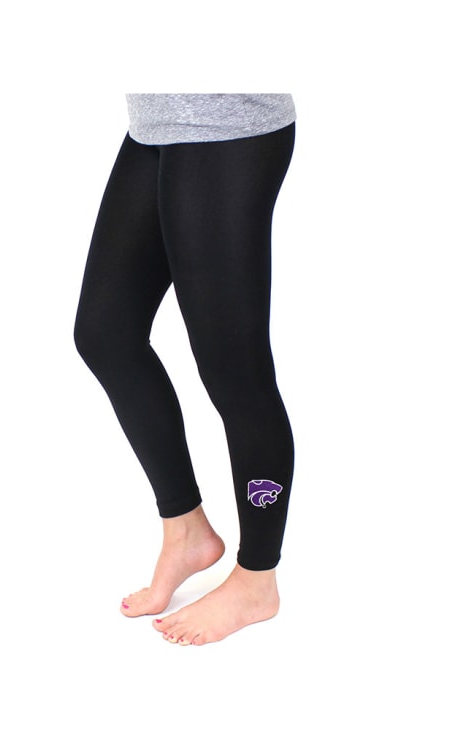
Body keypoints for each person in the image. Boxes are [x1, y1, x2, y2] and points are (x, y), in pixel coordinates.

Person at [73, 93, 297, 646]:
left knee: (234, 370)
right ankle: (186, 529)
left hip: (227, 128)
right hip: (156, 124)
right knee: (105, 334)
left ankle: (257, 579)